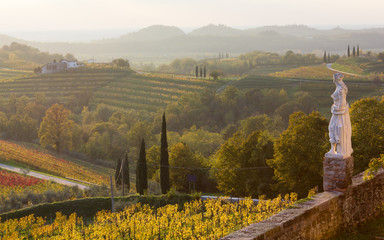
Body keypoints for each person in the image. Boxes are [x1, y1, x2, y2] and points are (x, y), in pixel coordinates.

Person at [327, 73, 353, 156]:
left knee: (337, 129)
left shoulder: (341, 89)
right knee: (332, 128)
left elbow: (342, 102)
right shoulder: (339, 87)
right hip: (337, 111)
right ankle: (333, 149)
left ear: (335, 79)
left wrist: (337, 109)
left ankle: (339, 150)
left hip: (339, 112)